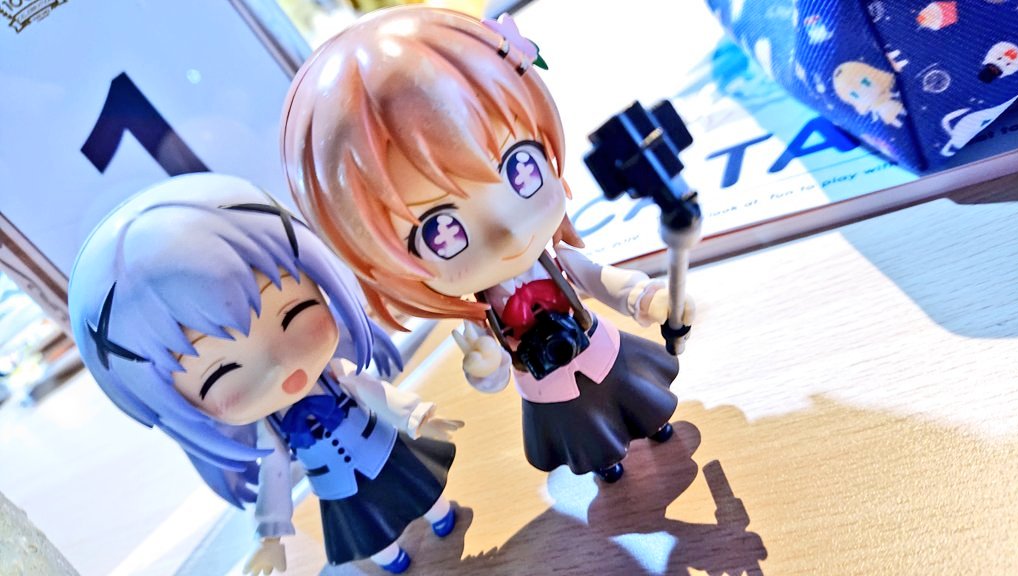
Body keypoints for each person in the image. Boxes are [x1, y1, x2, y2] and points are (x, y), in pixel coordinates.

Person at [281, 7, 692, 483]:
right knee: (588, 437)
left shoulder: (555, 263)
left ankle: (652, 423)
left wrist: (645, 297)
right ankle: (607, 460)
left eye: (522, 169)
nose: (508, 233)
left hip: (600, 351)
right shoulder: (483, 315)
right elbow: (492, 374)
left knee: (642, 400)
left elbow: (598, 278)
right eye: (442, 231)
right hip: (549, 390)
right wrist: (485, 366)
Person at [68, 174, 462, 574]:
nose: (277, 367)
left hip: (378, 447)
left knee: (420, 487)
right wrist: (269, 536)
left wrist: (416, 416)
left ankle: (439, 514)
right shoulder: (270, 430)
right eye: (221, 372)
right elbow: (275, 476)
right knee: (369, 531)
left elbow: (373, 391)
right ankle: (391, 556)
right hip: (335, 486)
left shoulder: (335, 377)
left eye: (294, 314)